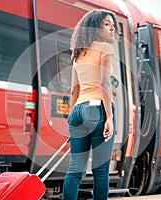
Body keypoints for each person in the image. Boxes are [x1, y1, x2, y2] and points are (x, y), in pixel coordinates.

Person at [63, 9, 120, 200]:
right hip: (97, 109)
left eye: (113, 26)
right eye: (106, 24)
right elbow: (104, 83)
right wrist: (109, 118)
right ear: (95, 27)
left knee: (75, 169)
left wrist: (73, 117)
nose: (111, 29)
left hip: (78, 110)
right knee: (101, 170)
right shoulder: (105, 48)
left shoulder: (78, 53)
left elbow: (74, 90)